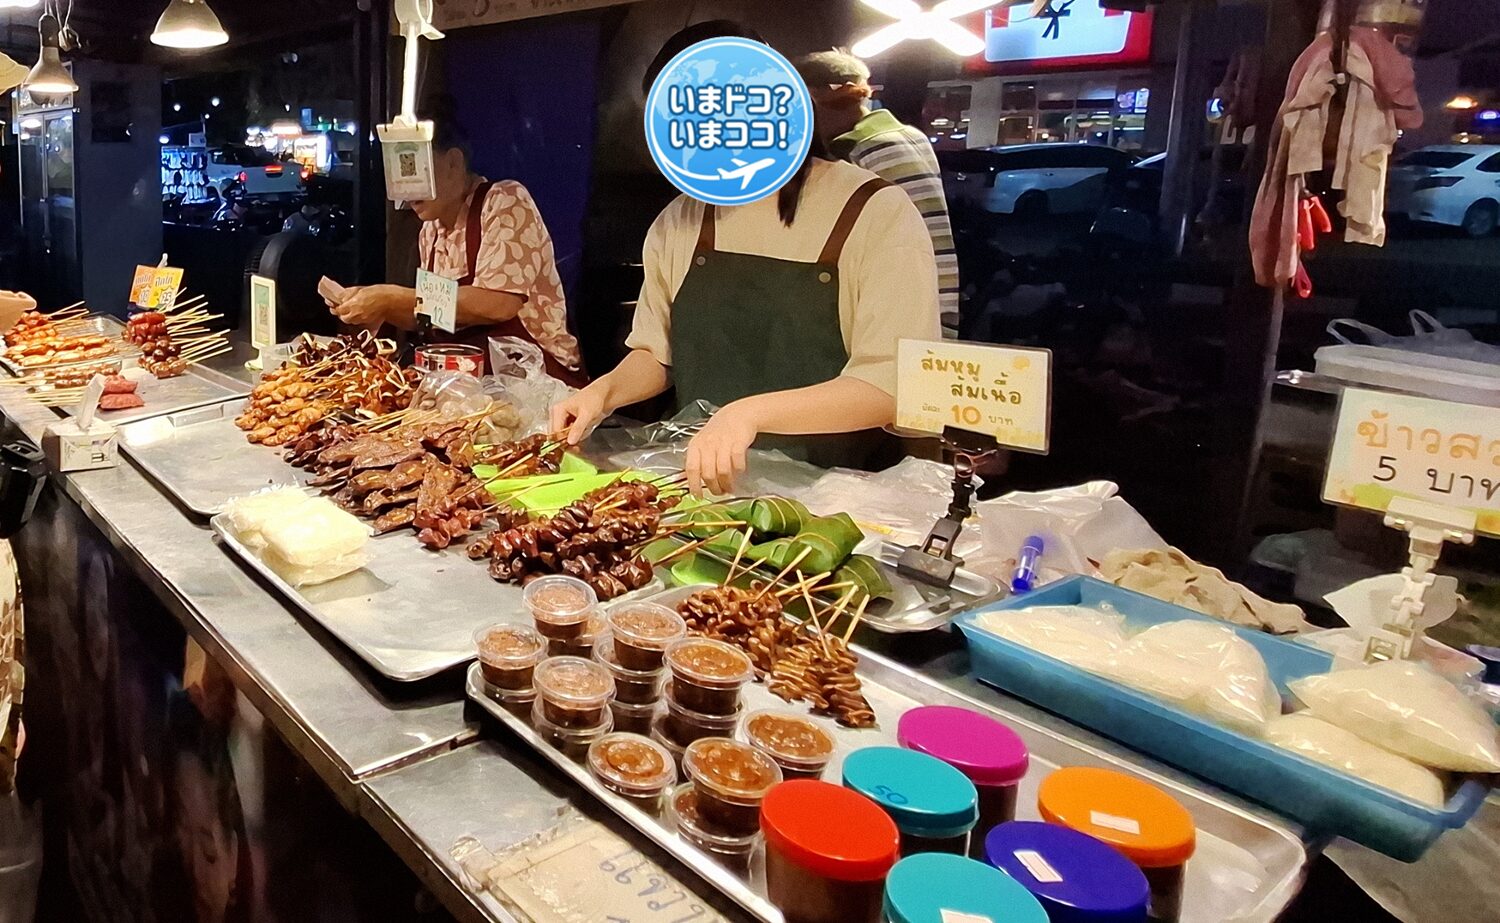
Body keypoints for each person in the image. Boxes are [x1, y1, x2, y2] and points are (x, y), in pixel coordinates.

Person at [551, 23, 942, 496]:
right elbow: (657, 353)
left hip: (839, 503)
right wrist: (602, 393)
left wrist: (747, 413)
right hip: (702, 491)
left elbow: (892, 385)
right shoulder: (681, 219)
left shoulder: (874, 211)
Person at [323, 120, 586, 386]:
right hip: (470, 385)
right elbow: (428, 315)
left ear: (453, 163)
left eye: (414, 167)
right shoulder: (430, 230)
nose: (407, 186)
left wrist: (391, 296)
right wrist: (378, 307)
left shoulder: (504, 201)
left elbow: (499, 304)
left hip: (537, 383)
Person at [796, 50, 961, 338]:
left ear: (814, 100)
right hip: (939, 295)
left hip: (897, 302)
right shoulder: (911, 137)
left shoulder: (852, 151)